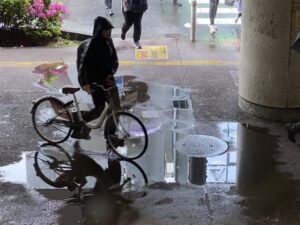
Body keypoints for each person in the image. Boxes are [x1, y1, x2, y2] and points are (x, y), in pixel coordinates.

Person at [75, 16, 119, 139]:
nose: (109, 33)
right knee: (99, 109)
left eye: (110, 30)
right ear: (99, 30)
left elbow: (114, 60)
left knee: (116, 106)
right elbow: (82, 66)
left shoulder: (109, 41)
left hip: (108, 79)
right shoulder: (92, 45)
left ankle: (111, 134)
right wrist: (84, 84)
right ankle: (79, 120)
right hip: (95, 82)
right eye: (106, 30)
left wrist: (111, 72)